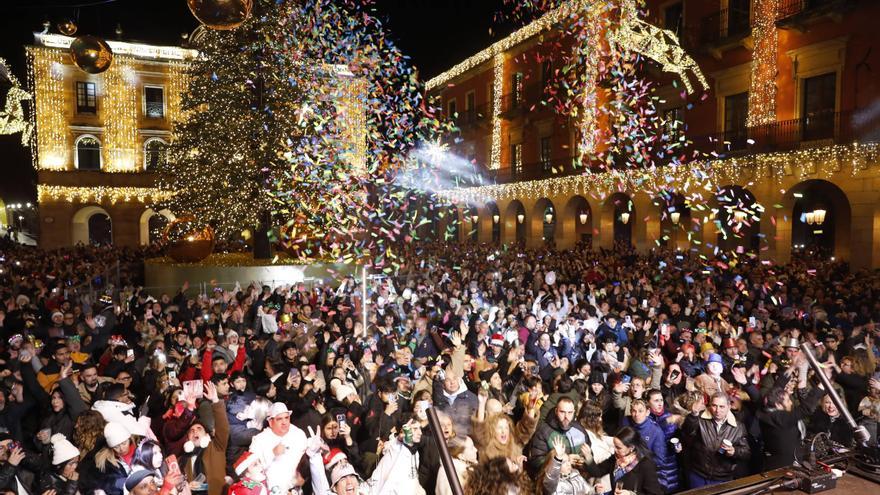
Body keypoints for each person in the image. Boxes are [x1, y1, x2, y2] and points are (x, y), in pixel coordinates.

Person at [681, 393, 751, 488]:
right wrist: (693, 415)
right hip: (698, 474)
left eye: (722, 407)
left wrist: (734, 451)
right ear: (710, 405)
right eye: (714, 406)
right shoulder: (700, 418)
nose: (717, 410)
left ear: (729, 406)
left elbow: (746, 452)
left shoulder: (738, 427)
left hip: (722, 478)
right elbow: (687, 432)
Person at [579, 426, 664, 495]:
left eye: (618, 447)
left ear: (631, 448)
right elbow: (598, 472)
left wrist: (631, 494)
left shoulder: (646, 465)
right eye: (614, 445)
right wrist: (589, 457)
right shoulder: (615, 458)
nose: (614, 450)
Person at [179, 381, 229, 495]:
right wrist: (187, 485)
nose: (195, 431)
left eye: (199, 429)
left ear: (207, 435)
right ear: (188, 439)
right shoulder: (183, 459)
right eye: (191, 431)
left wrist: (215, 401)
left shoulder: (217, 446)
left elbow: (223, 427)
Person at [248, 402, 307, 494]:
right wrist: (272, 453)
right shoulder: (259, 440)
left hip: (296, 491)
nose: (284, 422)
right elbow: (251, 469)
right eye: (279, 419)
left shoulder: (299, 434)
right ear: (270, 422)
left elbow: (306, 463)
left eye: (286, 418)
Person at [528, 397, 586, 473]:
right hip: (555, 480)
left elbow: (589, 454)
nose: (566, 416)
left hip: (578, 478)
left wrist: (584, 460)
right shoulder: (544, 432)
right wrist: (563, 461)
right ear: (556, 411)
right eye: (562, 412)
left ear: (574, 412)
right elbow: (536, 461)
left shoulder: (579, 429)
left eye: (570, 412)